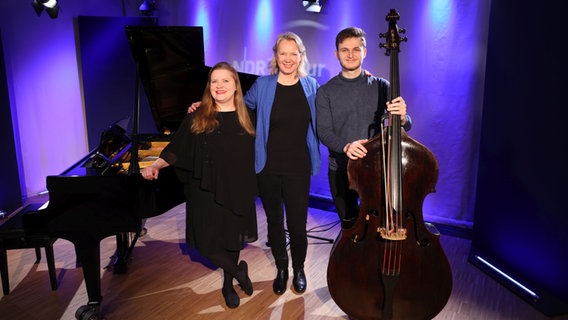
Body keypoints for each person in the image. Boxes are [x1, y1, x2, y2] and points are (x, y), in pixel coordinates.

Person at [141, 62, 257, 309]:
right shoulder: (198, 115)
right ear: (209, 86)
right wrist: (155, 166)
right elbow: (176, 148)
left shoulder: (249, 116)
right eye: (214, 81)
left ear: (236, 85)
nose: (219, 86)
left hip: (236, 189)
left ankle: (227, 286)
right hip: (203, 191)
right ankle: (239, 272)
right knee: (205, 245)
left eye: (225, 80)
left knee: (231, 240)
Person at [245, 32, 320, 296]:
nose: (288, 58)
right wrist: (205, 104)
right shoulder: (262, 85)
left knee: (298, 225)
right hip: (267, 167)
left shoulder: (312, 86)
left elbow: (326, 116)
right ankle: (281, 268)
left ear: (301, 56)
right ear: (276, 56)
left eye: (293, 53)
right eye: (282, 53)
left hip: (299, 167)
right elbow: (239, 109)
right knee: (275, 222)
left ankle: (298, 269)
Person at [316, 26, 412, 228]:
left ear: (364, 52)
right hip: (341, 170)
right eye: (344, 50)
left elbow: (407, 125)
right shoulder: (325, 92)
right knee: (349, 226)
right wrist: (346, 146)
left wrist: (403, 117)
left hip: (378, 170)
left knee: (378, 227)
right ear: (336, 53)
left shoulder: (382, 85)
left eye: (356, 49)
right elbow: (323, 131)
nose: (350, 55)